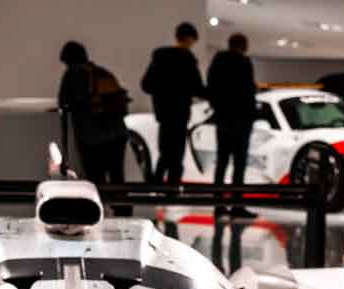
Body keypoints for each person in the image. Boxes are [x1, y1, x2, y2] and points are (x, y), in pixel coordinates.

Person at [58, 41, 131, 192]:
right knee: (117, 177)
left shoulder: (72, 74)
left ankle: (102, 213)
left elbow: (63, 103)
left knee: (96, 179)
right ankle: (123, 211)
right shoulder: (101, 72)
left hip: (93, 137)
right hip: (118, 134)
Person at [140, 21, 205, 185]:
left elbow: (146, 85)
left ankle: (156, 184)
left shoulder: (160, 57)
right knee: (177, 153)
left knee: (165, 151)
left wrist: (162, 92)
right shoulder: (187, 59)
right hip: (180, 112)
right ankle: (172, 187)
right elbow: (197, 88)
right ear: (189, 39)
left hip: (164, 112)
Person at [205, 32, 256, 215]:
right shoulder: (244, 63)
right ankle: (237, 205)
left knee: (222, 162)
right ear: (244, 46)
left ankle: (218, 205)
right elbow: (248, 92)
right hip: (241, 120)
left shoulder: (218, 62)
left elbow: (210, 87)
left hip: (224, 118)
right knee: (239, 164)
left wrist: (217, 108)